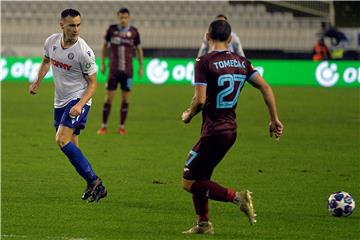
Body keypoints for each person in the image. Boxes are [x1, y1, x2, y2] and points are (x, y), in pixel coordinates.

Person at [181, 20, 283, 234]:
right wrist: (274, 119)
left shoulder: (203, 62)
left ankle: (238, 198)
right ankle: (203, 224)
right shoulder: (242, 62)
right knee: (203, 176)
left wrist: (188, 114)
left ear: (207, 36)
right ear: (230, 39)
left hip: (213, 132)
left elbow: (199, 100)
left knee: (188, 181)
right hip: (230, 130)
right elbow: (265, 87)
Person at [29, 9, 107, 202]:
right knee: (70, 144)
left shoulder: (84, 52)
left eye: (79, 25)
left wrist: (80, 104)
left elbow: (93, 84)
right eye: (72, 25)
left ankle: (95, 181)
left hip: (78, 99)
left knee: (61, 139)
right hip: (60, 100)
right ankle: (90, 183)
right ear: (61, 24)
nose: (76, 29)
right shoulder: (51, 42)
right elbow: (46, 61)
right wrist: (38, 81)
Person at [97, 8, 143, 135]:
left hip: (128, 72)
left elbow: (139, 50)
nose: (123, 20)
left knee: (126, 99)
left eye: (125, 18)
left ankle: (122, 127)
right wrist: (102, 63)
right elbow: (104, 47)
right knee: (108, 98)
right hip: (113, 70)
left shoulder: (134, 32)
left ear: (129, 18)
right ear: (118, 17)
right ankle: (103, 126)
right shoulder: (112, 30)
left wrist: (141, 66)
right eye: (121, 17)